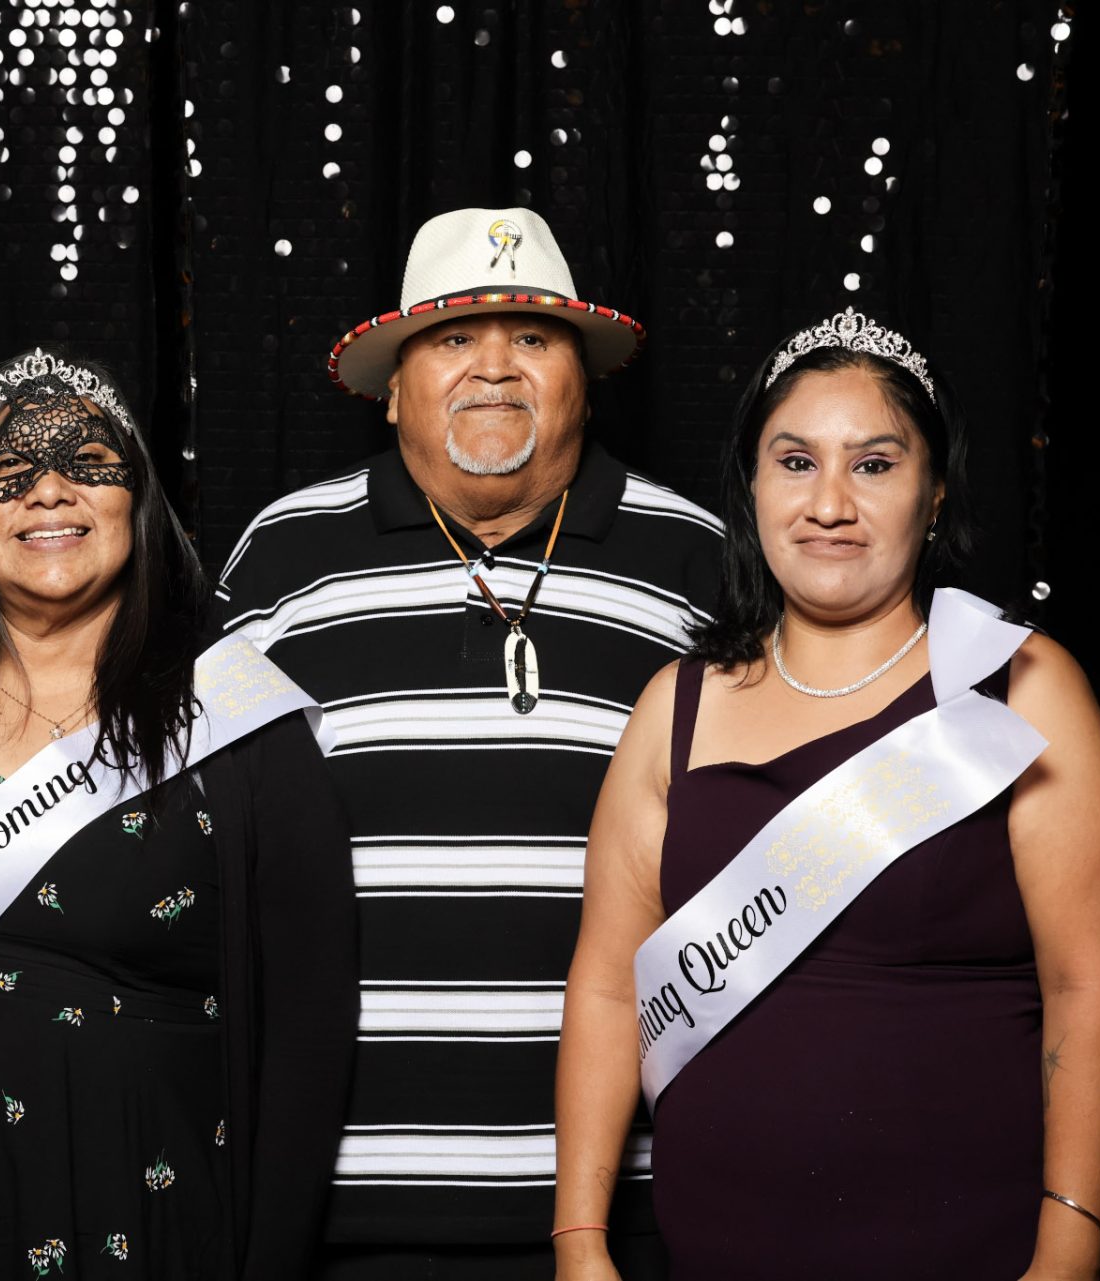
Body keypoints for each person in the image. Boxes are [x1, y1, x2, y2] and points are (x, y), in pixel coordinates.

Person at [553, 309, 1100, 1280]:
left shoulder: (1021, 688)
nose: (830, 502)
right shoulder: (674, 707)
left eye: (874, 464)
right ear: (751, 485)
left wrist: (1067, 1255)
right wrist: (580, 1244)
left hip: (972, 1255)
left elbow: (1090, 991)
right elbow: (611, 987)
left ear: (935, 491)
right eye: (795, 462)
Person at [215, 207, 721, 1278]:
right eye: (451, 339)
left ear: (586, 376)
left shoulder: (699, 562)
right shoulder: (282, 562)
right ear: (394, 384)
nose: (494, 366)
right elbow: (200, 856)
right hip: (345, 1212)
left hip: (630, 1212)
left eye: (533, 339)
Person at [0, 348, 357, 1280]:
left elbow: (308, 1035)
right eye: (10, 474)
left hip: (138, 1208)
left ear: (136, 498)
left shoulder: (234, 722)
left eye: (87, 464)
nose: (50, 493)